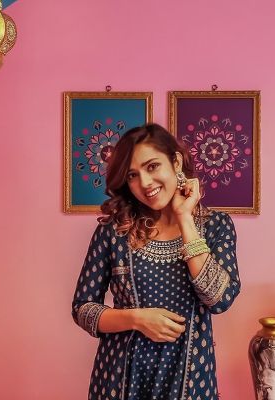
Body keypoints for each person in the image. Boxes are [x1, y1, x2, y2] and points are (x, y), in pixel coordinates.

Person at [71, 123, 241, 400]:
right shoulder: (114, 231)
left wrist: (185, 218)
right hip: (120, 380)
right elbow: (82, 309)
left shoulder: (215, 226)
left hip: (190, 379)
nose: (145, 183)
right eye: (133, 175)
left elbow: (219, 299)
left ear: (176, 162)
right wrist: (137, 319)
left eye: (152, 167)